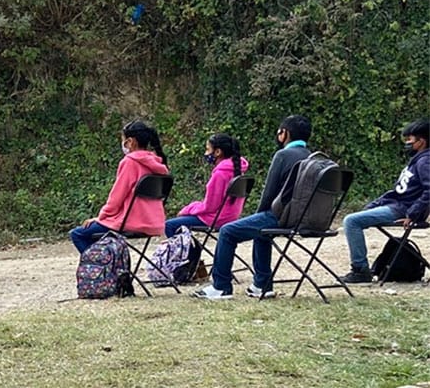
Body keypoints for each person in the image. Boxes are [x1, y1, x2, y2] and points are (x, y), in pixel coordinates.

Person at [193, 115, 312, 299]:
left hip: (281, 217)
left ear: (284, 134)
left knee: (227, 231)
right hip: (305, 219)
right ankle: (262, 285)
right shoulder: (313, 157)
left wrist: (258, 215)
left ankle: (221, 286)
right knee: (261, 233)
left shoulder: (283, 155)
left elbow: (269, 193)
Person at [339, 119, 430, 283]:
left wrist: (413, 214)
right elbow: (397, 192)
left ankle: (360, 270)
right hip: (398, 205)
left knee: (351, 221)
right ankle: (362, 269)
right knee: (356, 218)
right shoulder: (418, 160)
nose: (407, 144)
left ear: (421, 141)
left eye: (410, 140)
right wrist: (374, 205)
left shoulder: (424, 161)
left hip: (402, 210)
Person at [70, 120, 170, 253]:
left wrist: (101, 217)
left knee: (78, 234)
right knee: (95, 234)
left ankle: (101, 269)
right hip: (154, 223)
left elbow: (116, 199)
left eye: (123, 139)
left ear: (131, 142)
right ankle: (110, 266)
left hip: (130, 223)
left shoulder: (130, 162)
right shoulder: (158, 165)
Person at [164, 133, 249, 237]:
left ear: (218, 152)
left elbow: (210, 207)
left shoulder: (220, 174)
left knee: (169, 225)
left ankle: (187, 253)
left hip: (216, 218)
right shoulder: (239, 171)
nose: (206, 153)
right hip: (232, 217)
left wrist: (189, 209)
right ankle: (192, 251)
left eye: (208, 149)